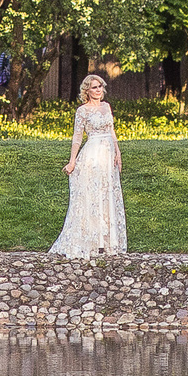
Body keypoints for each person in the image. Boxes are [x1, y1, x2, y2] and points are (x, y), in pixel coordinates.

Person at [50, 73, 127, 257]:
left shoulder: (106, 107)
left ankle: (107, 242)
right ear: (87, 90)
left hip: (108, 155)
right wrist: (72, 161)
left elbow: (112, 131)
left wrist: (118, 152)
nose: (98, 90)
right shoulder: (82, 111)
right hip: (93, 154)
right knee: (94, 197)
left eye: (100, 86)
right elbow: (77, 137)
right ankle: (93, 241)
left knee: (107, 194)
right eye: (94, 87)